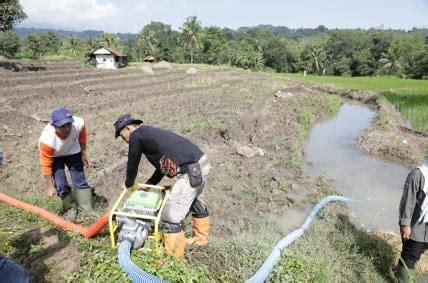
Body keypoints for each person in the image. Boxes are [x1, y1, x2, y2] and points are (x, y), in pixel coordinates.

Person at [114, 114, 211, 257]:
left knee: (170, 216)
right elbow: (162, 168)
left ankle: (173, 260)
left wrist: (129, 184)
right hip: (201, 164)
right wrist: (148, 186)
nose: (125, 141)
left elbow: (132, 164)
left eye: (123, 137)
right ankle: (200, 240)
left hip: (190, 171)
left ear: (128, 128)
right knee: (196, 203)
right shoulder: (149, 135)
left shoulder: (137, 135)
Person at [39, 107, 98, 220]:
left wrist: (84, 153)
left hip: (72, 151)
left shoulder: (78, 123)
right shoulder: (47, 140)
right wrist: (50, 187)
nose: (67, 129)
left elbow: (82, 138)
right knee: (60, 184)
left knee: (79, 178)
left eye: (68, 124)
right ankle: (71, 208)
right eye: (62, 126)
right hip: (55, 156)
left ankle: (87, 209)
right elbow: (45, 165)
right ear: (54, 126)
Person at [396, 155, 428, 282]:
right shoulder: (418, 174)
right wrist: (405, 225)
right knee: (409, 256)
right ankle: (403, 278)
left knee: (418, 253)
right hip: (417, 227)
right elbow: (407, 201)